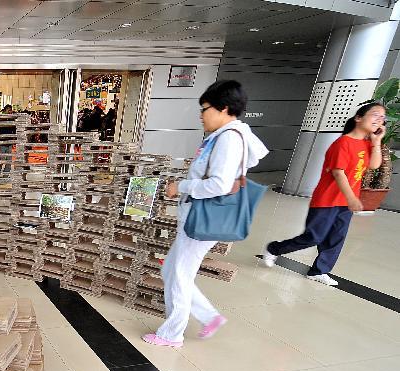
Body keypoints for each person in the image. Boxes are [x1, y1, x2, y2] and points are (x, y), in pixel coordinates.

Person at [142, 80, 268, 348]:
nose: (201, 115)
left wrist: (181, 187)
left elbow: (219, 184)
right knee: (172, 271)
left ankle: (171, 334)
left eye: (205, 109)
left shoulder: (229, 139)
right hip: (197, 215)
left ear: (223, 108)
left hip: (201, 217)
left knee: (179, 274)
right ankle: (209, 316)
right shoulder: (231, 135)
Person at [262, 102, 385, 285]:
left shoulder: (366, 144)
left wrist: (376, 142)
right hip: (327, 201)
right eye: (375, 114)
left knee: (336, 238)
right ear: (358, 118)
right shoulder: (343, 143)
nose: (379, 120)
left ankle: (318, 271)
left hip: (344, 204)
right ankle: (274, 248)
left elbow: (374, 165)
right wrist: (352, 197)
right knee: (314, 237)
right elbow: (338, 172)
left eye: (382, 117)